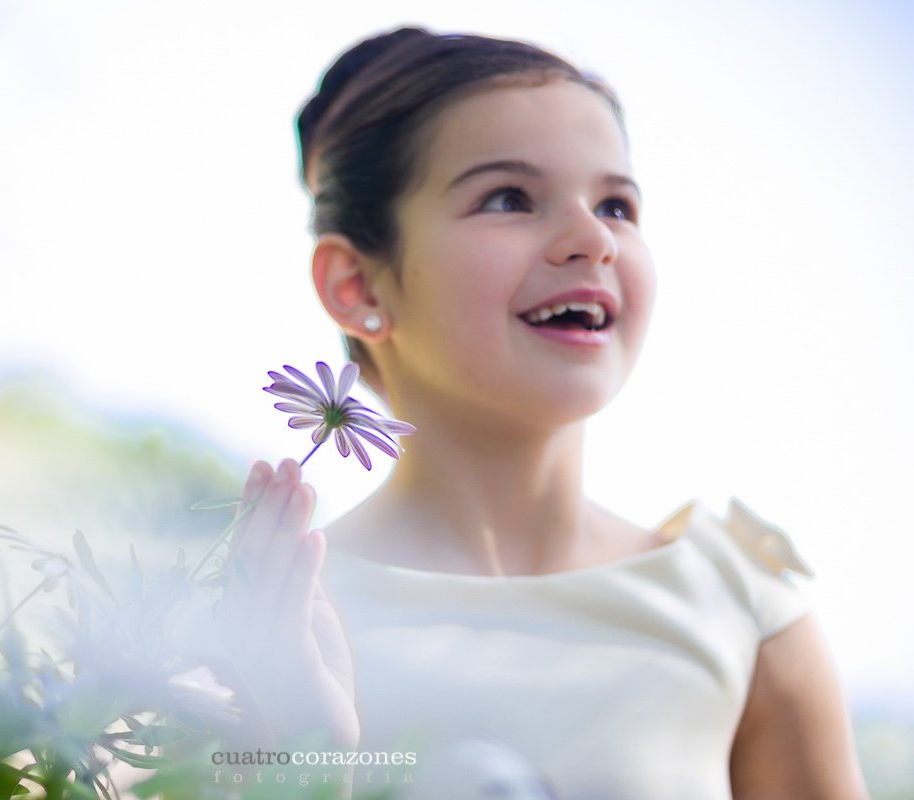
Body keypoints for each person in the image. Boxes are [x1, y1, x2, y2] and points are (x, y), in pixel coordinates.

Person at [214, 26, 868, 799]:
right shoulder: (270, 621)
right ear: (356, 284)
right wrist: (302, 760)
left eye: (617, 205)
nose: (592, 239)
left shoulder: (742, 611)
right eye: (509, 198)